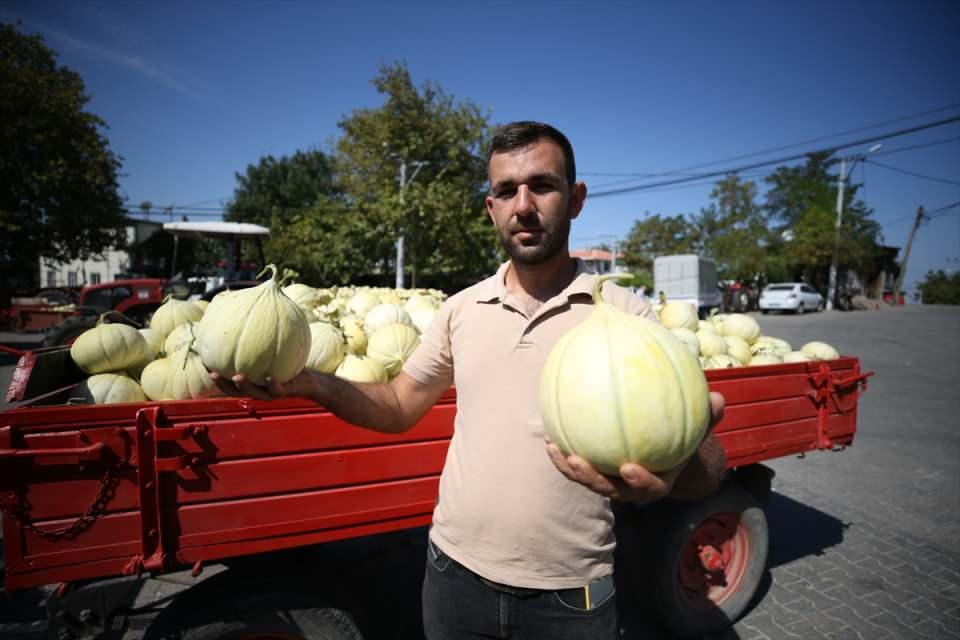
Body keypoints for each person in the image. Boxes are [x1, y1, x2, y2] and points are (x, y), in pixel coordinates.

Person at [213, 121, 726, 639]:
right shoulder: (461, 309)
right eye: (506, 191)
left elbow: (707, 462)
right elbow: (397, 403)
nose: (523, 205)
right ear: (491, 209)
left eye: (542, 186)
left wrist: (672, 476)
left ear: (576, 199)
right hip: (452, 581)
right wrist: (313, 384)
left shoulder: (628, 316)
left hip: (571, 597)